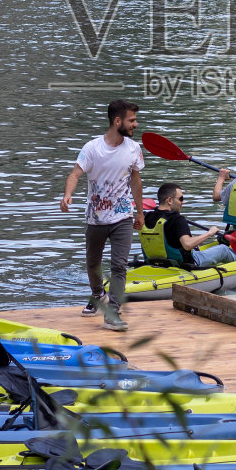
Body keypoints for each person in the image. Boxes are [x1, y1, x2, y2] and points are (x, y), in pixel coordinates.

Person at [60, 99, 143, 331]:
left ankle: (113, 314)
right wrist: (67, 195)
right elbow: (75, 174)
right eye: (132, 120)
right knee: (93, 264)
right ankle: (98, 295)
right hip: (95, 218)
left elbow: (136, 180)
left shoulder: (134, 149)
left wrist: (140, 212)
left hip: (123, 217)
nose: (135, 124)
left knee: (119, 266)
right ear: (118, 121)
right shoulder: (92, 148)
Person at [140, 183, 236, 271]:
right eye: (181, 198)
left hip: (153, 261)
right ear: (169, 200)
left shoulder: (146, 217)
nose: (183, 202)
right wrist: (210, 233)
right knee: (223, 249)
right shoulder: (177, 219)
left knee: (196, 249)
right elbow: (187, 244)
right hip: (183, 264)